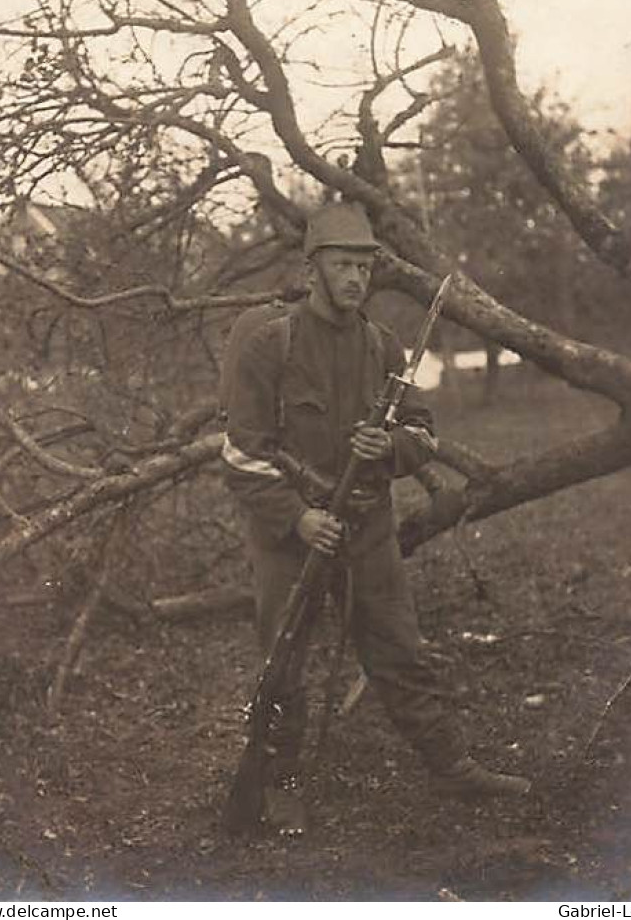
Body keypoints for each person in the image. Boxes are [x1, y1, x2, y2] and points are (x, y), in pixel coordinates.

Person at [222, 202, 530, 836]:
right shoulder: (269, 343)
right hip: (291, 537)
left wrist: (388, 449)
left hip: (366, 527)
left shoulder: (384, 346)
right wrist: (300, 518)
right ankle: (280, 789)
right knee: (284, 663)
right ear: (314, 269)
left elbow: (423, 429)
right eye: (342, 264)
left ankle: (450, 765)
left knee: (400, 649)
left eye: (364, 265)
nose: (356, 278)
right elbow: (240, 454)